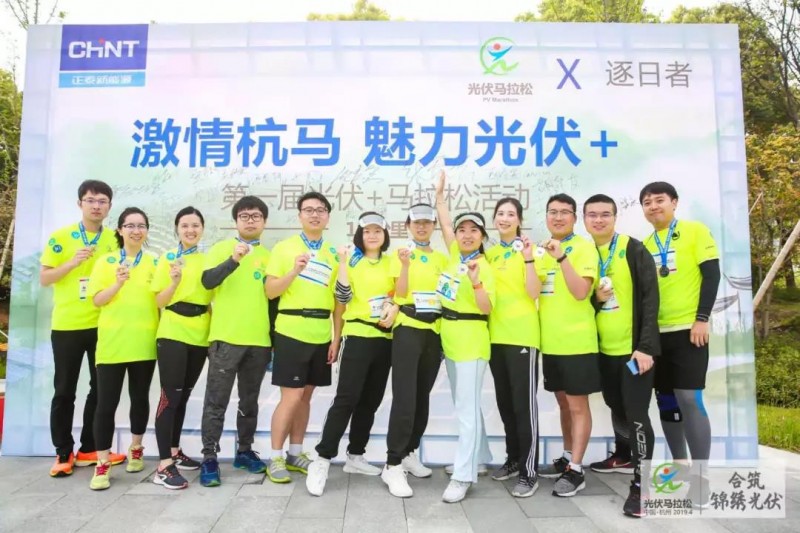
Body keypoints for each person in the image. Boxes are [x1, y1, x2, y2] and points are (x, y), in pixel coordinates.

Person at [305, 212, 399, 496]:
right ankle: (322, 459)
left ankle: (355, 455)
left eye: (378, 231)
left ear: (385, 235)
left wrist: (394, 305)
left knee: (370, 401)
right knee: (346, 399)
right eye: (367, 231)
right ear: (360, 235)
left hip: (385, 339)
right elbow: (343, 298)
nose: (372, 235)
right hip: (357, 336)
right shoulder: (351, 261)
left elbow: (399, 293)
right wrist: (344, 263)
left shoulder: (392, 261)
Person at [640, 182, 720, 506]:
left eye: (659, 200)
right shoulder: (645, 245)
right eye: (647, 202)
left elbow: (712, 275)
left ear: (674, 202)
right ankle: (679, 468)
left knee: (689, 398)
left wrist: (702, 318)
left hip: (689, 330)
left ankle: (701, 478)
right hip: (656, 335)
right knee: (667, 402)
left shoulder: (694, 231)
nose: (653, 206)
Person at [40, 180, 126, 477]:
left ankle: (90, 448)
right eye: (91, 200)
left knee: (100, 389)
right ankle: (63, 451)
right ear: (80, 204)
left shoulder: (115, 238)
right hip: (68, 325)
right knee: (64, 389)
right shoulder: (61, 237)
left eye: (102, 201)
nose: (96, 206)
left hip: (103, 324)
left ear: (109, 206)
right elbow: (45, 278)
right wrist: (72, 263)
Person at [583, 194, 660, 517]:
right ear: (584, 220)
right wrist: (597, 300)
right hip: (602, 350)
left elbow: (650, 298)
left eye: (605, 214)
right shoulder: (585, 252)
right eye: (592, 215)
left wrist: (646, 346)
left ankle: (642, 485)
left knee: (637, 413)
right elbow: (580, 303)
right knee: (616, 404)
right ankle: (624, 455)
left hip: (634, 351)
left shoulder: (633, 248)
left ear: (615, 217)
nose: (598, 220)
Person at [265, 192, 339, 484]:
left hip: (321, 332)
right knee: (291, 397)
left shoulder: (334, 253)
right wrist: (294, 271)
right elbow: (271, 291)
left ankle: (295, 453)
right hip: (291, 330)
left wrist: (336, 338)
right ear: (299, 216)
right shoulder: (284, 248)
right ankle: (275, 457)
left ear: (328, 216)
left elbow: (339, 301)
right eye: (308, 210)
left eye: (320, 210)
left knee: (306, 397)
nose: (315, 214)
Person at [198, 196, 272, 487]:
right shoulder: (221, 248)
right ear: (236, 221)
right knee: (216, 402)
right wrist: (234, 260)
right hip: (225, 339)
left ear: (264, 221)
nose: (250, 220)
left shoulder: (269, 256)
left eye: (256, 216)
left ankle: (244, 451)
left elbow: (273, 299)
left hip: (259, 340)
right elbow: (207, 282)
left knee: (249, 401)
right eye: (244, 216)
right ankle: (209, 458)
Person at [87, 207, 159, 490]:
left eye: (141, 226)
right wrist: (117, 283)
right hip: (112, 343)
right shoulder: (105, 262)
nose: (136, 231)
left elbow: (161, 300)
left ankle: (136, 448)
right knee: (106, 404)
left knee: (139, 398)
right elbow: (97, 300)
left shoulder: (154, 262)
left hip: (144, 341)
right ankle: (102, 462)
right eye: (130, 225)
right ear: (119, 230)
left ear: (147, 231)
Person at [381, 202, 448, 498]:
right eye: (416, 222)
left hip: (434, 331)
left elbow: (447, 294)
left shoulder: (443, 259)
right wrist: (406, 265)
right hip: (408, 328)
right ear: (408, 226)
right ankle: (392, 463)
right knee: (405, 398)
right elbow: (400, 293)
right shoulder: (400, 254)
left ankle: (409, 451)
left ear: (433, 226)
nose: (422, 227)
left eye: (427, 222)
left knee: (422, 397)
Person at [536, 193, 600, 498]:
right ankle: (566, 456)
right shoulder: (540, 251)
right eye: (553, 212)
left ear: (574, 218)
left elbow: (580, 292)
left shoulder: (584, 248)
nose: (558, 217)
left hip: (577, 342)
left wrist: (562, 257)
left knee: (577, 406)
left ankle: (576, 469)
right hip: (550, 343)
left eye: (565, 212)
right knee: (563, 403)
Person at [434, 203, 496, 504]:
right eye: (462, 230)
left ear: (483, 236)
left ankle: (463, 475)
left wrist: (476, 282)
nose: (467, 235)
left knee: (467, 411)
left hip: (472, 340)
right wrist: (439, 197)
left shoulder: (485, 266)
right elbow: (445, 224)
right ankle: (479, 458)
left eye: (474, 230)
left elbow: (486, 307)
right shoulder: (455, 256)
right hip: (450, 338)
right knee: (465, 404)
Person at [150, 207, 212, 490]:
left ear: (202, 229)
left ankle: (174, 451)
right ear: (177, 229)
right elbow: (159, 302)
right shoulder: (167, 258)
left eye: (195, 225)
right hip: (173, 331)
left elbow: (211, 299)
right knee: (170, 397)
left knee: (183, 396)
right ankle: (163, 465)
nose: (190, 230)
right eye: (185, 225)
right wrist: (174, 281)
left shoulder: (208, 260)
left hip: (200, 334)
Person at [485, 197, 543, 498]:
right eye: (500, 213)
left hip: (523, 337)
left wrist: (530, 259)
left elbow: (534, 292)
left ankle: (529, 471)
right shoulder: (490, 254)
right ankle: (513, 459)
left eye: (511, 214)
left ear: (519, 220)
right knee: (506, 404)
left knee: (524, 406)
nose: (505, 218)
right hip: (495, 337)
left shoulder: (531, 251)